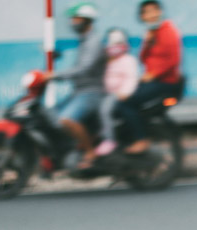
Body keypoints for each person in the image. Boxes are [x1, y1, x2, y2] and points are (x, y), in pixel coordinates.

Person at [114, 0, 182, 154]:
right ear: (142, 17)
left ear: (160, 12)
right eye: (146, 12)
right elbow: (142, 59)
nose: (151, 15)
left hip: (165, 82)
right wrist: (148, 41)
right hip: (153, 80)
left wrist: (153, 74)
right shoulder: (153, 33)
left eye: (153, 11)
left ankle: (141, 139)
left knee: (126, 101)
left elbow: (173, 60)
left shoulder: (168, 30)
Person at [44, 2, 106, 167]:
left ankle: (89, 152)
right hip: (79, 91)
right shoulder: (84, 40)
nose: (74, 23)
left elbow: (84, 68)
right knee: (51, 115)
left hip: (92, 92)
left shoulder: (93, 41)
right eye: (73, 19)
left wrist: (55, 75)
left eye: (77, 19)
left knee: (67, 119)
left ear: (87, 20)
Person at [93, 29, 139, 158]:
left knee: (105, 109)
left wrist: (124, 93)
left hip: (118, 95)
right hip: (106, 94)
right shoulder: (108, 62)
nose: (114, 47)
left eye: (118, 43)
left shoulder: (128, 60)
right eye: (112, 43)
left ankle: (110, 140)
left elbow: (131, 78)